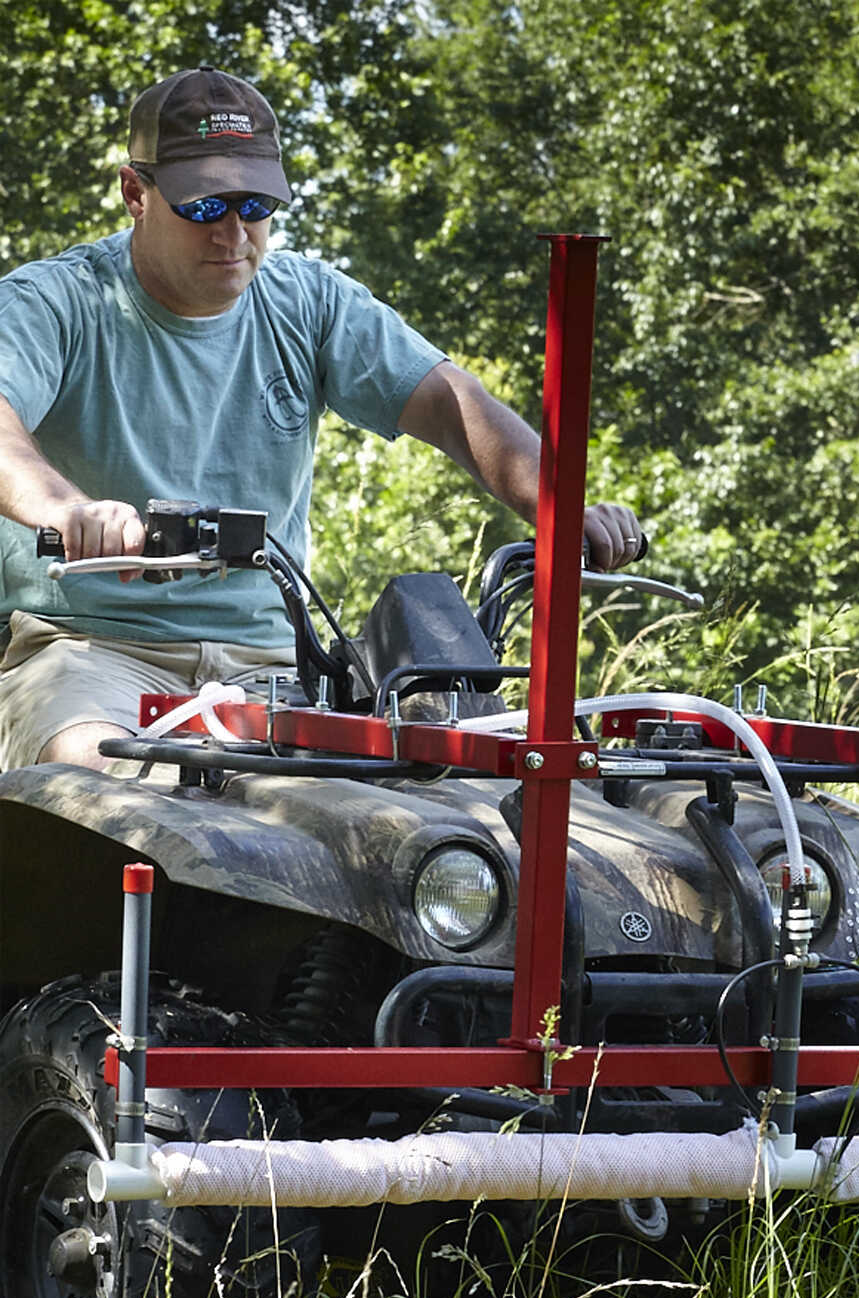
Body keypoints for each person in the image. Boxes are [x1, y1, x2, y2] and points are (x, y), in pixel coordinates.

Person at [0, 66, 642, 772]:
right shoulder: (59, 302)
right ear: (135, 194)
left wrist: (557, 504)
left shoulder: (307, 301)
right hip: (88, 654)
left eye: (256, 205)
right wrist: (68, 510)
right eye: (206, 208)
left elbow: (452, 406)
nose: (236, 233)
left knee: (405, 814)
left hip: (270, 667)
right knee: (104, 783)